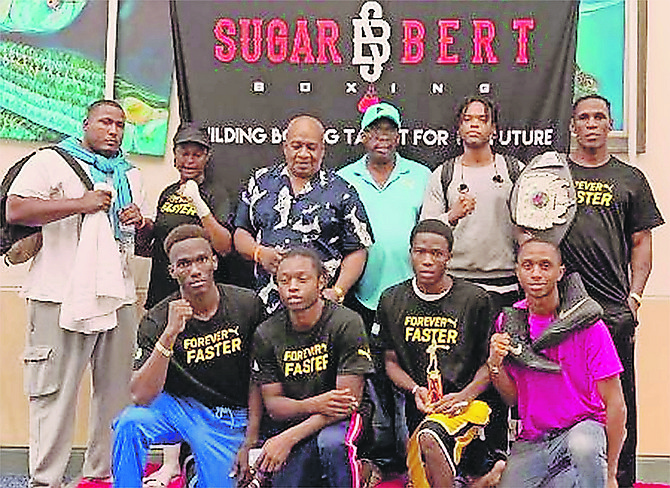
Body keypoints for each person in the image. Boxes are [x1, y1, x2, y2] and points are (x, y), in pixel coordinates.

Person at [6, 99, 149, 488]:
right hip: (59, 294)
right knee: (54, 395)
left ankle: (99, 476)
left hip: (115, 295)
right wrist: (80, 204)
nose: (114, 130)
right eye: (105, 122)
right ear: (85, 124)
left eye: (120, 125)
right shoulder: (50, 160)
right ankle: (46, 481)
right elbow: (16, 209)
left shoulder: (130, 174)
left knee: (116, 394)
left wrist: (139, 220)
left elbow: (130, 236)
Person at [561, 94, 664, 487]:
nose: (591, 123)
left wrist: (635, 297)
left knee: (619, 401)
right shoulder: (556, 176)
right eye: (583, 117)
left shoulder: (630, 179)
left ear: (609, 124)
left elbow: (641, 243)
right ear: (572, 125)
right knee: (565, 396)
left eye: (599, 117)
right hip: (563, 309)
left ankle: (620, 477)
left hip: (612, 311)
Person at [112, 224, 264, 488]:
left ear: (214, 262)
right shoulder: (157, 320)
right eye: (184, 264)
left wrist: (251, 438)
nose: (194, 270)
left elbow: (261, 376)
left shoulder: (246, 305)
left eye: (201, 260)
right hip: (179, 407)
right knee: (130, 424)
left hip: (227, 415)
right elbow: (140, 395)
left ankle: (194, 471)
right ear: (172, 271)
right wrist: (169, 334)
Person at [376, 219, 506, 488]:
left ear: (449, 256)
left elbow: (489, 364)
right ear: (410, 253)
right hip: (422, 408)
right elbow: (389, 361)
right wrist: (415, 390)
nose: (427, 260)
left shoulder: (475, 299)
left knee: (433, 435)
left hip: (470, 406)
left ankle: (486, 473)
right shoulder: (391, 299)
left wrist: (464, 395)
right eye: (420, 252)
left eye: (436, 253)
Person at [488, 238, 627, 488]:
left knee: (583, 446)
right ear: (517, 271)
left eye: (545, 265)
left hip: (581, 429)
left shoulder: (590, 326)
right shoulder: (507, 323)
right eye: (528, 266)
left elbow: (616, 403)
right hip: (534, 438)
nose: (536, 274)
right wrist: (495, 363)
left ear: (560, 272)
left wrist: (611, 475)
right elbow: (512, 399)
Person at [337, 102, 431, 468]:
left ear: (398, 136)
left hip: (411, 294)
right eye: (375, 130)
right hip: (361, 294)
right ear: (363, 137)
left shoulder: (421, 176)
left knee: (409, 374)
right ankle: (378, 451)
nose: (382, 137)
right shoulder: (344, 179)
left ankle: (413, 454)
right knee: (370, 373)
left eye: (389, 130)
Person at [251, 248, 375, 487]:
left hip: (345, 419)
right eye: (284, 280)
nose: (292, 287)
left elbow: (348, 402)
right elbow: (274, 406)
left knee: (331, 443)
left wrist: (288, 438)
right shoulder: (266, 333)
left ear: (321, 282)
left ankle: (360, 469)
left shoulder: (347, 322)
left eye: (302, 279)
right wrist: (313, 404)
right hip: (296, 417)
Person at [234, 115, 373, 315]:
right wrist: (259, 253)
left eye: (311, 147)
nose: (303, 154)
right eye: (297, 146)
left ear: (322, 150)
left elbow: (357, 249)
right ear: (285, 147)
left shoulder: (342, 190)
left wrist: (338, 290)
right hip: (268, 305)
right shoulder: (261, 181)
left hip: (321, 307)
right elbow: (241, 233)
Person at [421, 96, 524, 310]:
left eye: (482, 119)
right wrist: (451, 215)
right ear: (459, 128)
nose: (474, 124)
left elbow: (532, 223)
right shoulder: (444, 174)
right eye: (467, 119)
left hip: (504, 282)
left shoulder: (514, 170)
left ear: (493, 128)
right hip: (455, 280)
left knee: (502, 343)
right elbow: (426, 231)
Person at [142, 122, 233, 310]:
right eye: (184, 154)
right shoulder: (167, 192)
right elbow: (155, 241)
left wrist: (198, 203)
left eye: (197, 155)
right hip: (162, 291)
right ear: (175, 157)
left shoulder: (216, 194)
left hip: (197, 293)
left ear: (206, 158)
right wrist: (142, 224)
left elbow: (224, 247)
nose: (190, 161)